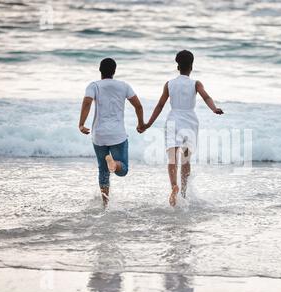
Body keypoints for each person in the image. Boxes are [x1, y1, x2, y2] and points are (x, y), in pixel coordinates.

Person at [140, 50, 223, 207]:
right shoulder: (196, 84)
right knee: (185, 159)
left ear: (177, 66)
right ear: (191, 66)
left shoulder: (169, 84)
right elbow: (206, 97)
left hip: (173, 121)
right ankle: (183, 192)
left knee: (172, 157)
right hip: (189, 123)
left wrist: (147, 124)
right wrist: (214, 108)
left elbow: (159, 106)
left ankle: (173, 187)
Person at [78, 58, 144, 207]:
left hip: (99, 135)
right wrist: (140, 124)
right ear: (114, 71)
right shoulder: (124, 86)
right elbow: (138, 106)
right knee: (123, 170)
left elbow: (87, 102)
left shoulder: (93, 86)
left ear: (100, 70)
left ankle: (105, 203)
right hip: (117, 135)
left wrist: (81, 124)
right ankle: (114, 163)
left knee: (103, 170)